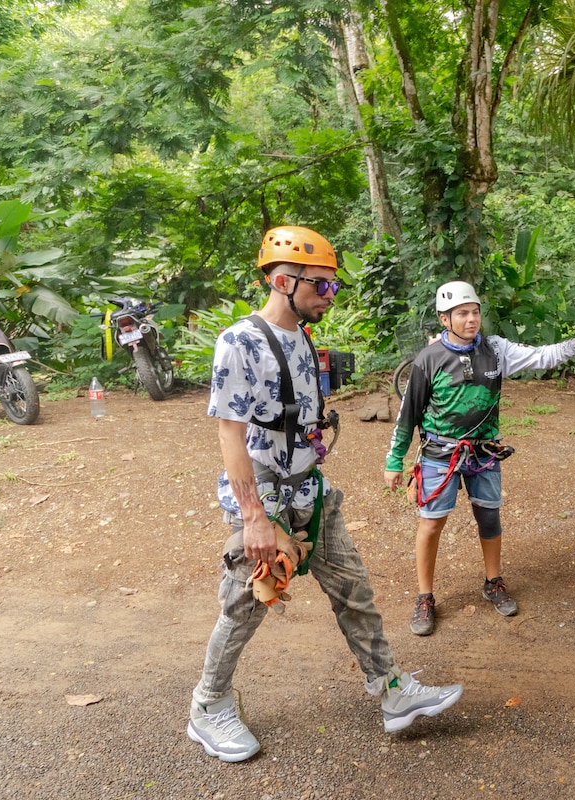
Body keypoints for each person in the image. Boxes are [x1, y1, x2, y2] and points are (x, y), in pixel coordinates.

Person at [188, 226, 462, 763]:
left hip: (313, 494)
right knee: (245, 606)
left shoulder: (305, 338)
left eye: (333, 287)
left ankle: (390, 691)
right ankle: (208, 705)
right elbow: (230, 432)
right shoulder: (239, 340)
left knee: (354, 591)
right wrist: (254, 518)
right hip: (265, 503)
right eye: (323, 287)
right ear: (285, 281)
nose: (330, 297)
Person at [384, 281, 575, 636]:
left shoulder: (495, 349)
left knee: (489, 517)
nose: (472, 319)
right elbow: (408, 414)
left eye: (475, 312)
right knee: (431, 523)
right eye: (462, 313)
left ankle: (493, 582)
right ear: (445, 319)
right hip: (439, 454)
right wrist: (394, 461)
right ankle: (424, 596)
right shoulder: (428, 360)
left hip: (483, 451)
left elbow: (540, 356)